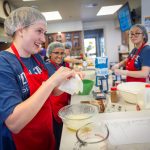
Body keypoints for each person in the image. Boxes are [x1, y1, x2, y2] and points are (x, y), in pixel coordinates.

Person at [0, 7, 83, 150]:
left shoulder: (36, 58)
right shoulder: (4, 63)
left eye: (44, 33)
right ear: (20, 29)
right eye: (39, 31)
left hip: (46, 135)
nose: (43, 39)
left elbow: (52, 92)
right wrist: (51, 81)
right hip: (23, 143)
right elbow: (14, 123)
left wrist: (68, 81)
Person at [46, 41, 71, 149]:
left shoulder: (58, 66)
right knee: (58, 137)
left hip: (62, 105)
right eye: (56, 53)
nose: (60, 56)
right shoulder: (47, 67)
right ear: (50, 54)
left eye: (62, 53)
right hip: (54, 109)